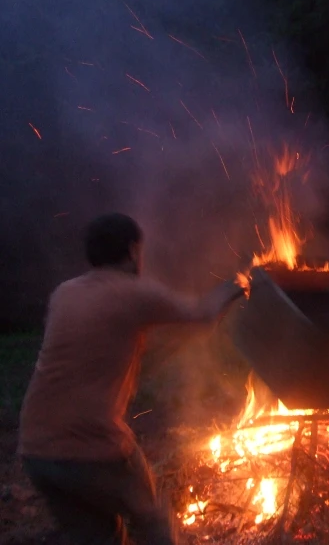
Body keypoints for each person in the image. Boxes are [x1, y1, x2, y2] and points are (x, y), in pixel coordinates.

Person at [18, 213, 245, 545]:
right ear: (133, 250)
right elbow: (203, 313)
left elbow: (100, 339)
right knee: (152, 522)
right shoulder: (132, 293)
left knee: (96, 537)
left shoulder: (64, 293)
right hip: (93, 449)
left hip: (35, 449)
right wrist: (239, 283)